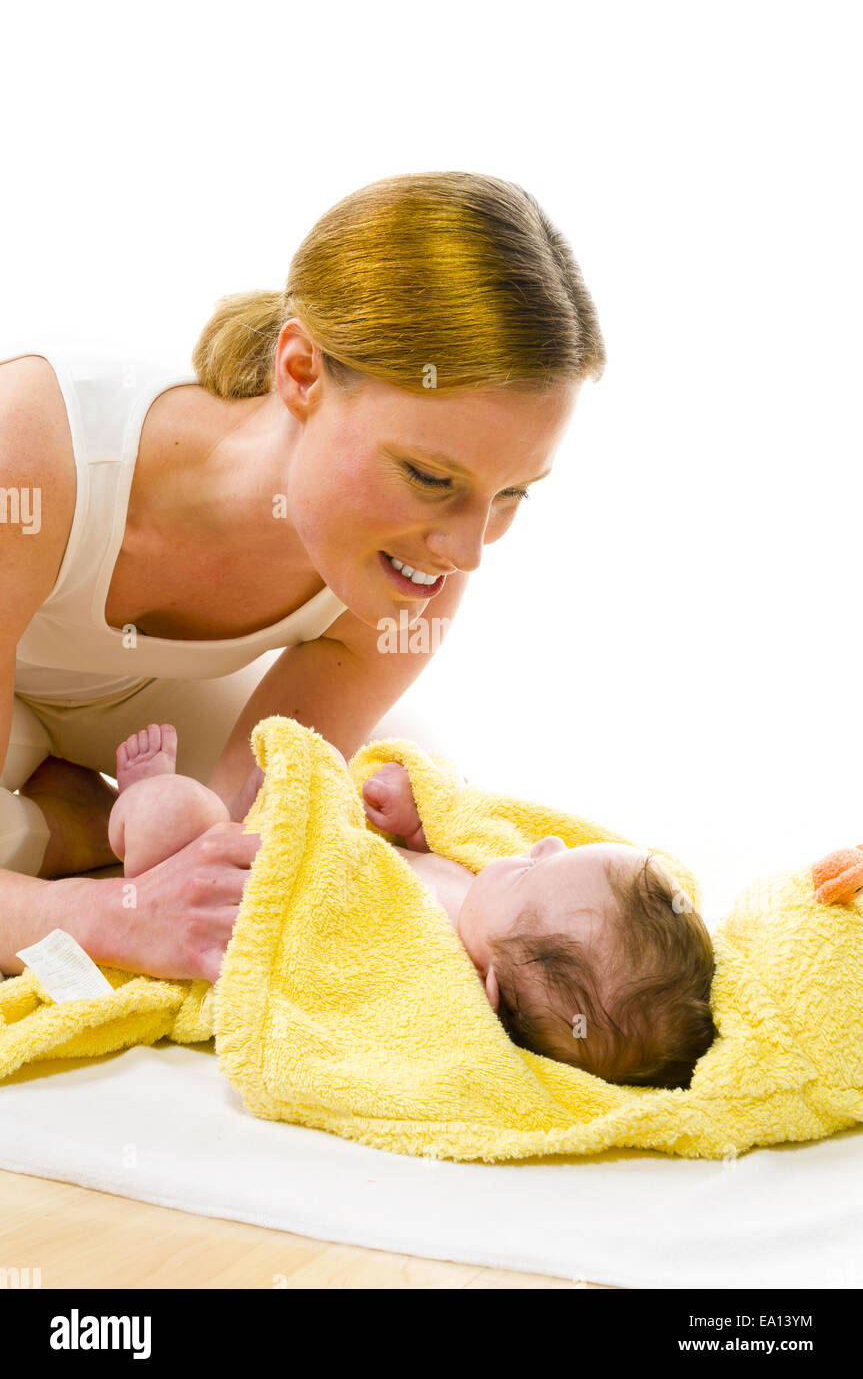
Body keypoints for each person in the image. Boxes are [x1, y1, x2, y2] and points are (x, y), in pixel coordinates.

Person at [0, 170, 606, 984]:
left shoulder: (416, 569)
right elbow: (157, 905)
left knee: (374, 814)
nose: (465, 551)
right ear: (300, 371)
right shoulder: (30, 449)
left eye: (509, 494)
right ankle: (70, 823)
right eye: (430, 477)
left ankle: (62, 816)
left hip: (120, 701)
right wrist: (111, 916)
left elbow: (241, 859)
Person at [108, 724, 716, 1089]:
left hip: (214, 885)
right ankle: (234, 812)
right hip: (274, 838)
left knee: (176, 811)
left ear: (493, 991)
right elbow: (453, 828)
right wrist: (414, 818)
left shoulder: (426, 963)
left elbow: (327, 961)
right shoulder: (485, 899)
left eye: (533, 867)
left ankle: (138, 806)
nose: (544, 840)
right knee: (263, 798)